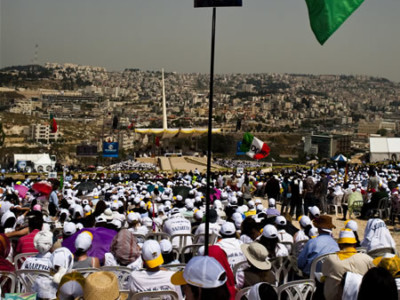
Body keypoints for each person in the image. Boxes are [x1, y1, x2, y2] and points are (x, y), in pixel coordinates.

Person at [321, 229, 374, 300]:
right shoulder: (367, 259)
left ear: (339, 245)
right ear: (355, 244)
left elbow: (324, 274)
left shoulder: (330, 259)